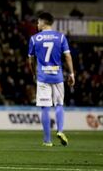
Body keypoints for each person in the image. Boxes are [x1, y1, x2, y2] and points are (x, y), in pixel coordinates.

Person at [28, 12, 75, 147]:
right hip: (57, 76)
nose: (37, 25)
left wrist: (33, 73)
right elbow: (68, 57)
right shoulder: (60, 37)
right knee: (59, 104)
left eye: (38, 22)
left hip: (42, 76)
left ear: (43, 22)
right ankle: (60, 131)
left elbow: (30, 60)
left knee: (45, 107)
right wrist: (71, 74)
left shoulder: (34, 39)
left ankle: (47, 140)